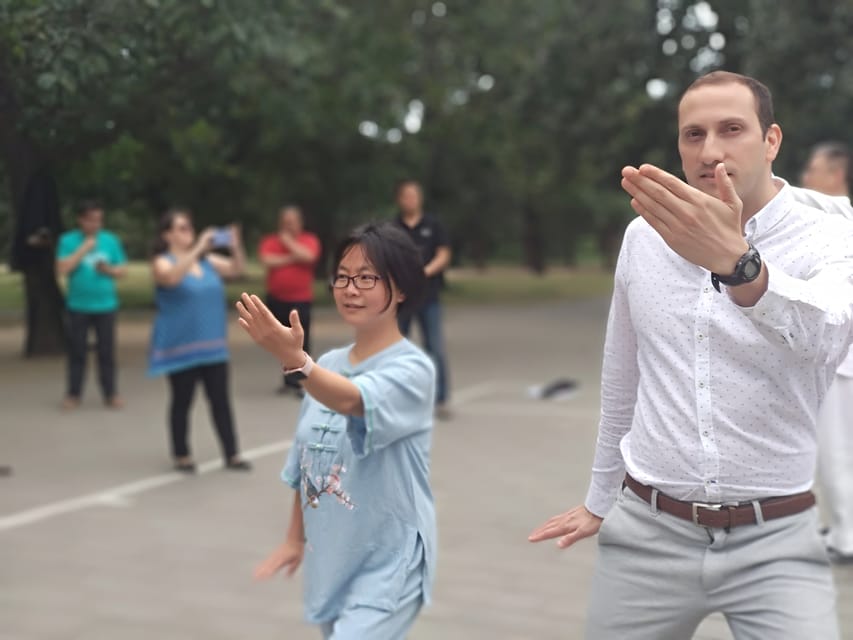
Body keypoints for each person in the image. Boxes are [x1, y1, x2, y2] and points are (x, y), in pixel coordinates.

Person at [529, 71, 853, 639]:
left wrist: (740, 264)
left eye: (732, 129)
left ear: (771, 140)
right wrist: (600, 499)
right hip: (649, 532)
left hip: (775, 536)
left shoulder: (827, 237)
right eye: (693, 135)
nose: (711, 151)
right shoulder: (644, 238)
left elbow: (829, 336)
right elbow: (621, 380)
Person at [237, 221, 436, 639]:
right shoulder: (327, 364)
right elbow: (307, 461)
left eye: (367, 278)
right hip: (332, 558)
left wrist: (297, 363)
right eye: (343, 277)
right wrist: (294, 538)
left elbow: (352, 400)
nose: (350, 289)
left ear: (400, 289)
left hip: (389, 564)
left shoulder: (413, 369)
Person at [147, 208, 251, 473]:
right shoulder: (162, 261)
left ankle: (232, 453)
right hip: (180, 345)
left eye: (189, 227)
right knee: (182, 400)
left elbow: (238, 269)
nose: (189, 233)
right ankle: (181, 454)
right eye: (181, 228)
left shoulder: (208, 261)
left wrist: (236, 247)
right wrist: (197, 249)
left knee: (220, 400)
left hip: (212, 344)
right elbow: (170, 278)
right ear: (167, 235)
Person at [796, 141, 853, 564]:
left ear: (836, 174)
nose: (806, 177)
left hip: (843, 362)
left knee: (835, 452)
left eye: (814, 169)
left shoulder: (838, 219)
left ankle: (847, 537)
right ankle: (841, 527)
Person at [56, 200, 128, 409]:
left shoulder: (110, 241)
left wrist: (109, 270)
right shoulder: (67, 241)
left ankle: (111, 393)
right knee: (77, 351)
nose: (95, 225)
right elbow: (62, 269)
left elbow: (122, 270)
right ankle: (73, 393)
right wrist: (83, 249)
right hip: (78, 306)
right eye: (91, 220)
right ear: (81, 220)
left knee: (107, 352)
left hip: (106, 306)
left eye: (99, 220)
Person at [392, 179, 452, 419]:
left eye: (414, 195)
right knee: (395, 349)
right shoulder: (393, 227)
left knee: (434, 348)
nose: (410, 200)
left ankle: (441, 398)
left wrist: (424, 272)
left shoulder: (433, 225)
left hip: (429, 297)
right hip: (401, 298)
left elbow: (444, 254)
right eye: (405, 196)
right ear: (400, 199)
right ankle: (396, 398)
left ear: (420, 198)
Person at [258, 205, 321, 397]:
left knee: (302, 342)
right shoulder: (270, 241)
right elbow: (267, 260)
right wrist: (293, 257)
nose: (288, 225)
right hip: (276, 299)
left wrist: (288, 244)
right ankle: (288, 380)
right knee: (281, 342)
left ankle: (303, 382)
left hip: (300, 300)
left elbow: (309, 256)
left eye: (292, 222)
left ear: (300, 223)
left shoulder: (309, 240)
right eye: (285, 222)